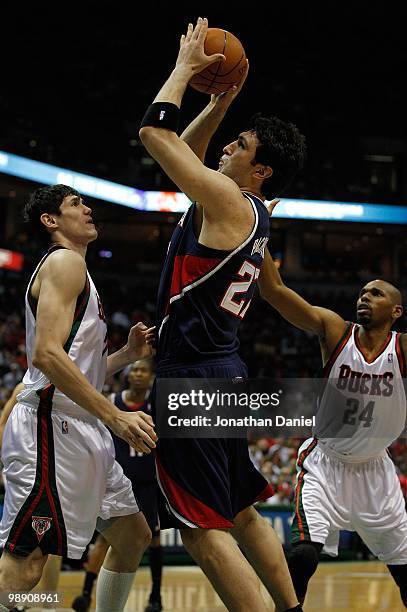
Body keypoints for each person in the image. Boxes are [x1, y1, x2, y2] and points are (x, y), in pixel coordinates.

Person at [139, 18, 306, 612]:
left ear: (260, 172)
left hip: (191, 379)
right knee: (239, 507)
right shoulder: (247, 209)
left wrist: (184, 69)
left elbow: (157, 137)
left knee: (203, 530)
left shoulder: (228, 201)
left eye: (243, 146)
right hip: (223, 372)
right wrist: (223, 100)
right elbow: (190, 149)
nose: (230, 144)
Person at [0, 184, 157, 612]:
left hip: (79, 425)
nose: (87, 209)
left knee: (132, 534)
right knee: (29, 562)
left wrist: (125, 355)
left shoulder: (80, 273)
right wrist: (115, 416)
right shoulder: (65, 262)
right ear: (51, 221)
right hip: (51, 426)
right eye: (75, 204)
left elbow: (77, 369)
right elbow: (47, 355)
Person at [258, 202, 407, 608]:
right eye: (362, 292)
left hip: (376, 469)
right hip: (326, 462)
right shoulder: (335, 330)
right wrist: (261, 232)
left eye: (375, 293)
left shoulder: (402, 348)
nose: (364, 297)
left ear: (395, 311)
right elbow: (274, 292)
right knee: (304, 554)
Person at [72, 358, 163, 612]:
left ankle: (155, 596)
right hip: (118, 481)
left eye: (143, 370)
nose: (137, 374)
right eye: (134, 369)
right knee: (104, 541)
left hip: (147, 484)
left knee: (153, 539)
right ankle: (86, 593)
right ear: (128, 375)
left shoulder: (155, 406)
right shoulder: (111, 402)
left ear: (150, 377)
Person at [1, 382, 62, 612]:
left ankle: (48, 603)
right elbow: (2, 423)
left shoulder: (67, 385)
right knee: (18, 543)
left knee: (54, 543)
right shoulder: (23, 388)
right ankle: (13, 601)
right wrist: (9, 463)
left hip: (56, 471)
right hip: (27, 472)